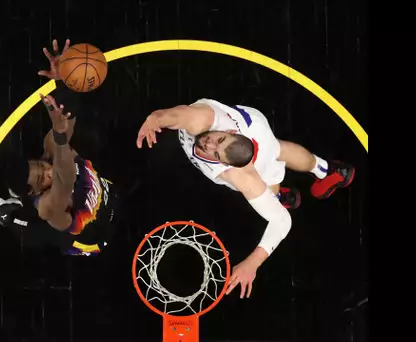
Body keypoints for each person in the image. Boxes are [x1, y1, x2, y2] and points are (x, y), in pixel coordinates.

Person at [136, 98, 355, 299]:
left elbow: (282, 221)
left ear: (226, 165)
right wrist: (157, 118)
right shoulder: (204, 122)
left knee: (275, 161)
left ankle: (326, 172)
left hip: (260, 145)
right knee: (275, 160)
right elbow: (178, 115)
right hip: (252, 127)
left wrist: (253, 263)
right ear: (228, 130)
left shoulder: (242, 176)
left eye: (216, 153)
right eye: (219, 138)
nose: (209, 144)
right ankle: (304, 181)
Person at [0, 39, 120, 256]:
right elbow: (64, 177)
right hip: (96, 239)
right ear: (34, 191)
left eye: (40, 166)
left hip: (109, 197)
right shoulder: (47, 205)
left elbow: (70, 117)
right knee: (34, 231)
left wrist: (64, 80)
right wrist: (59, 135)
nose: (47, 171)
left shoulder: (50, 148)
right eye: (42, 179)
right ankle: (10, 216)